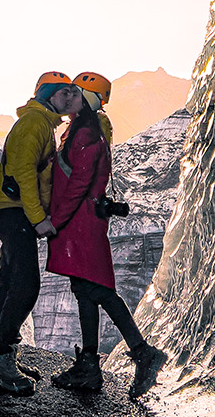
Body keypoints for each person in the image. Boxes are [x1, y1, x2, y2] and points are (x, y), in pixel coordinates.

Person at [46, 71, 168, 398]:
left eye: (75, 94)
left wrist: (54, 219)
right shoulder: (85, 129)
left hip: (79, 222)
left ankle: (142, 354)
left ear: (87, 99)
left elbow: (78, 185)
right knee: (86, 289)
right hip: (84, 220)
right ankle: (91, 365)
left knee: (96, 289)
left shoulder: (85, 133)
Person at [0, 70, 83, 394]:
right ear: (47, 96)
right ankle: (2, 365)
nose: (69, 99)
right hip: (15, 211)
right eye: (63, 93)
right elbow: (23, 173)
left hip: (11, 210)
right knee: (26, 286)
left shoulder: (42, 123)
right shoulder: (35, 124)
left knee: (10, 278)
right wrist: (38, 217)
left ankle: (4, 354)